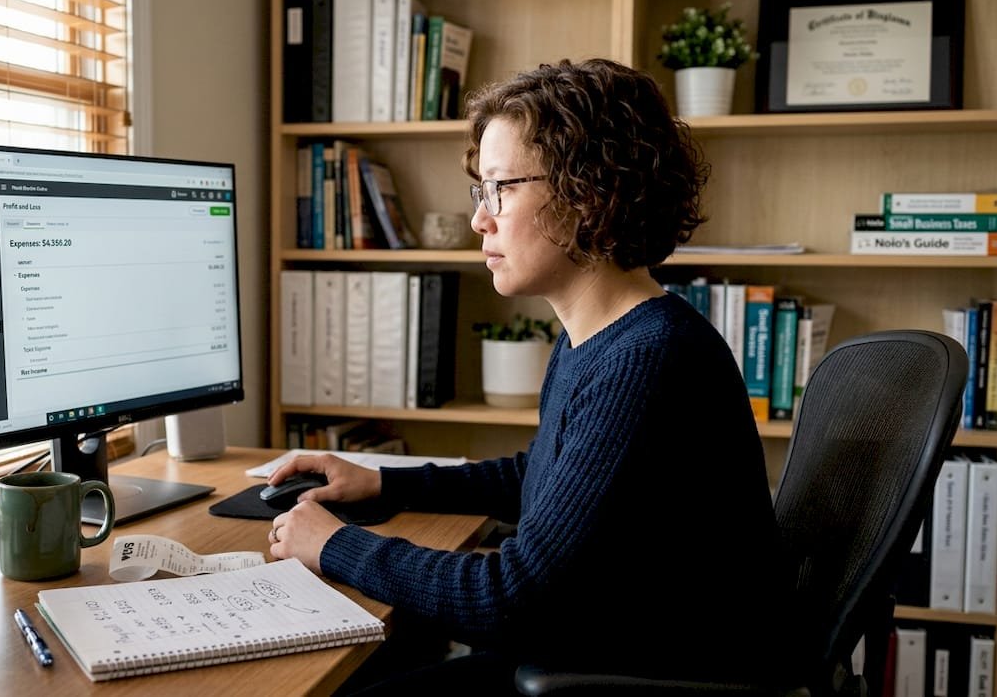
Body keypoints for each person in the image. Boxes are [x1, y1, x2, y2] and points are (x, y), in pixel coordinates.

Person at [266, 58, 789, 692]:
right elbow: (542, 474)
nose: (479, 219)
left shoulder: (648, 359)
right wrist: (382, 481)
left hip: (633, 674)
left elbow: (512, 600)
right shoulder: (601, 336)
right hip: (598, 650)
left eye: (502, 188)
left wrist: (333, 545)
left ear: (589, 191)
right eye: (479, 191)